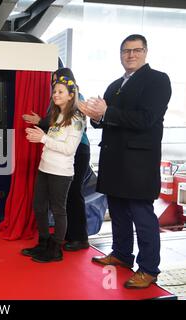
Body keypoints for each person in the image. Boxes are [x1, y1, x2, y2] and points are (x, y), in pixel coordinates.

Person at [78, 34, 172, 289]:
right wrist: (94, 116)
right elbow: (106, 120)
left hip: (138, 163)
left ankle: (149, 268)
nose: (130, 55)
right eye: (126, 51)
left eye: (136, 50)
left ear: (145, 52)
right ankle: (121, 253)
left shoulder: (158, 80)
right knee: (118, 211)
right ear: (120, 55)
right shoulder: (114, 85)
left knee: (142, 216)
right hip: (114, 160)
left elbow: (146, 119)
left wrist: (107, 112)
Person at [22, 68, 91, 252]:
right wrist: (40, 126)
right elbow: (54, 131)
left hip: (71, 159)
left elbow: (69, 145)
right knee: (44, 205)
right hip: (49, 163)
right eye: (54, 89)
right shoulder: (56, 113)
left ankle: (75, 239)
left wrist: (43, 138)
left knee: (70, 199)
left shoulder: (76, 114)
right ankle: (50, 241)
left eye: (60, 89)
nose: (55, 93)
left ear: (71, 92)